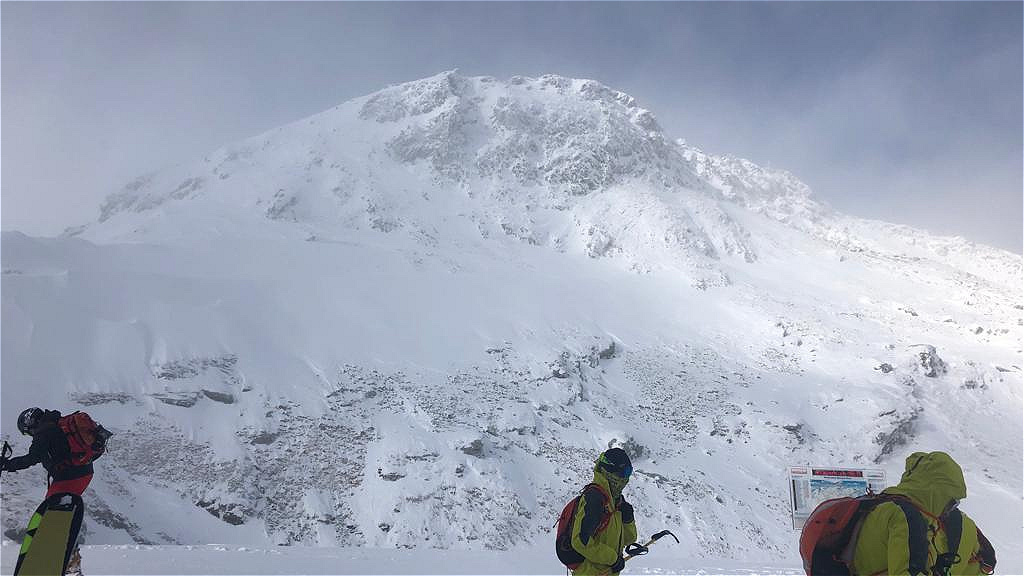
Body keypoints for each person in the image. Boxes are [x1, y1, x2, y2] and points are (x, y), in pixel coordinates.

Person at [851, 451, 996, 576]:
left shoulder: (882, 505)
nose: (951, 508)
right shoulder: (907, 517)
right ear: (938, 493)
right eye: (952, 501)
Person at [2, 407, 95, 576]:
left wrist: (7, 465)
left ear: (29, 425)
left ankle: (65, 561)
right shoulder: (55, 423)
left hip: (69, 476)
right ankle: (70, 562)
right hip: (84, 472)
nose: (29, 435)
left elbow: (32, 458)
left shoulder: (44, 431)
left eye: (27, 432)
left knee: (52, 518)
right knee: (60, 516)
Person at [569, 447, 644, 575]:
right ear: (610, 471)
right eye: (624, 473)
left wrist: (628, 520)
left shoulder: (616, 501)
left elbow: (628, 539)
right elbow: (580, 541)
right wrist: (613, 559)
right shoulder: (595, 498)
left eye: (629, 473)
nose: (626, 479)